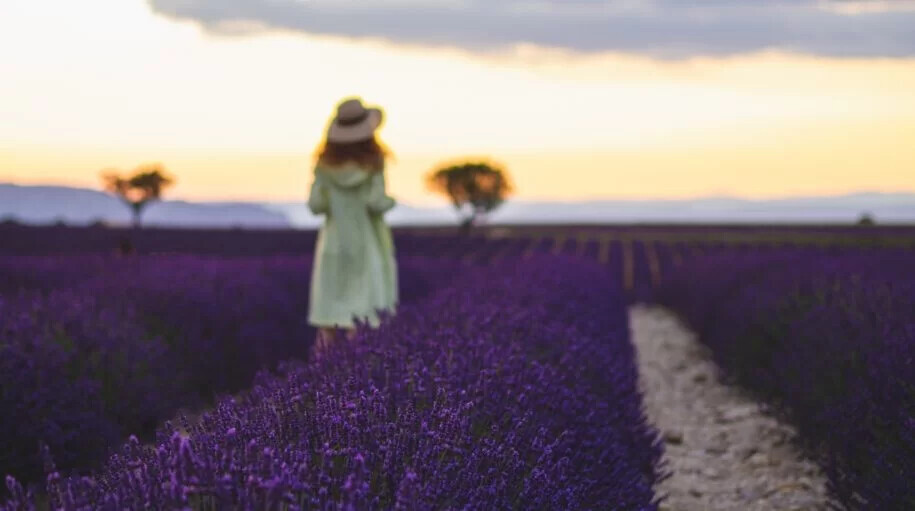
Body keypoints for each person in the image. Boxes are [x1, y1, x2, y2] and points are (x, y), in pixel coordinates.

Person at [307, 97, 398, 358]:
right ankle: (358, 378)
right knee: (363, 321)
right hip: (366, 245)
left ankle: (319, 379)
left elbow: (316, 205)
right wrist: (391, 202)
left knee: (328, 322)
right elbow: (376, 202)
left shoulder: (324, 165)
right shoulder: (373, 164)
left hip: (333, 246)